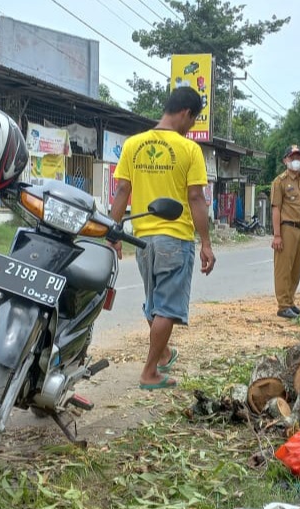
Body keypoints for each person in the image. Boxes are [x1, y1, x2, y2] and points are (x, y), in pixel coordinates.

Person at [110, 87, 216, 390]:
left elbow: (121, 192)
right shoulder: (189, 150)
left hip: (143, 240)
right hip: (174, 238)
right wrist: (206, 242)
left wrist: (113, 233)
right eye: (193, 121)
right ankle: (149, 372)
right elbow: (196, 197)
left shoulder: (133, 144)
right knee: (167, 308)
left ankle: (164, 351)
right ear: (186, 113)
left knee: (154, 302)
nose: (191, 127)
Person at [270, 145, 300, 318]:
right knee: (283, 269)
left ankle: (290, 301)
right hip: (287, 228)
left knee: (296, 269)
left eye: (299, 157)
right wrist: (277, 235)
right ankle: (283, 305)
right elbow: (276, 209)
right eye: (292, 157)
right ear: (285, 160)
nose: (296, 160)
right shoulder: (280, 181)